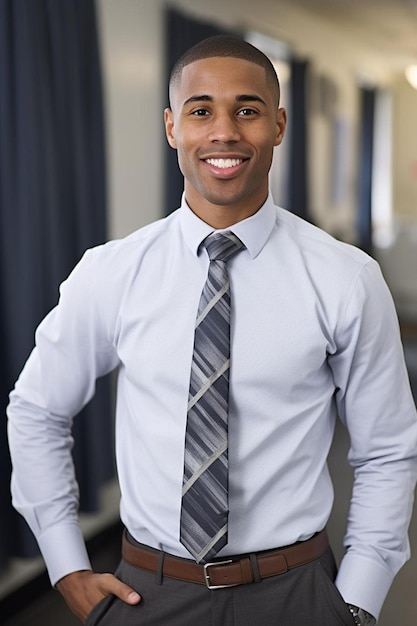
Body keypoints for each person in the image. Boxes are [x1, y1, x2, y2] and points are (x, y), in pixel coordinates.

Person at [7, 35, 417, 626]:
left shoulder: (345, 279)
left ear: (278, 125)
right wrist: (67, 567)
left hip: (298, 594)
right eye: (201, 111)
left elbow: (386, 450)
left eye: (246, 110)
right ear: (173, 127)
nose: (223, 132)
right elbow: (36, 409)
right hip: (149, 592)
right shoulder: (113, 272)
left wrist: (357, 600)